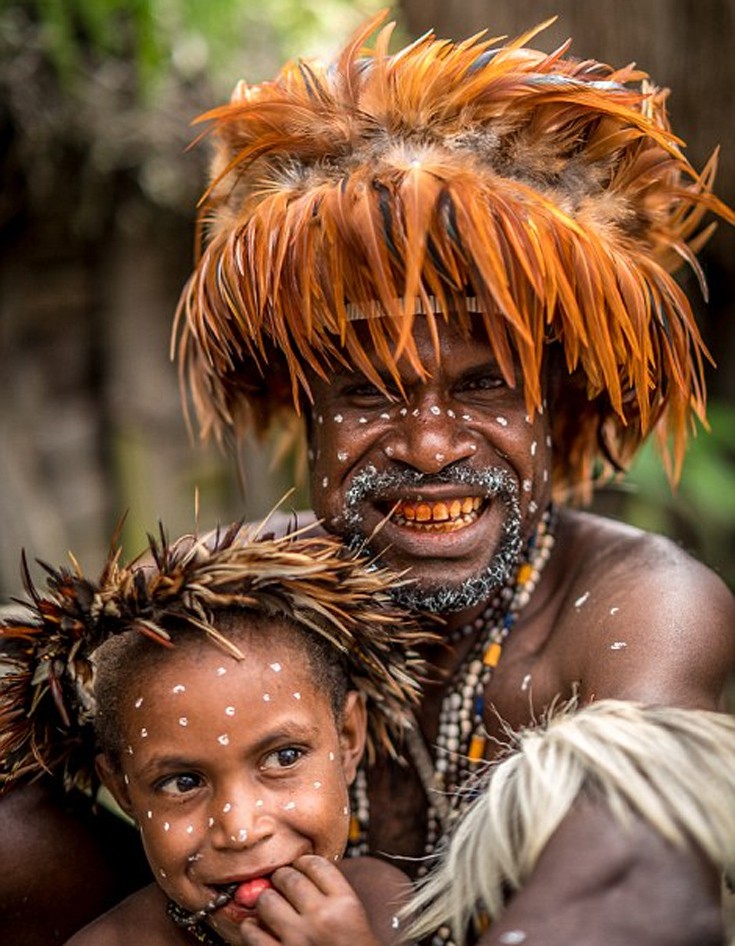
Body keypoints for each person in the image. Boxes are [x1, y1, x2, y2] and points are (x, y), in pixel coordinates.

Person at [171, 10, 735, 946]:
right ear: (303, 413)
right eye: (370, 393)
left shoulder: (644, 610)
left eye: (484, 387)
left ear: (556, 406)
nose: (430, 447)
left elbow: (639, 893)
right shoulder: (231, 609)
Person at [1, 524, 424, 946]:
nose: (241, 830)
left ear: (348, 738)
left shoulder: (375, 901)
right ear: (124, 790)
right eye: (183, 783)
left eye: (284, 758)